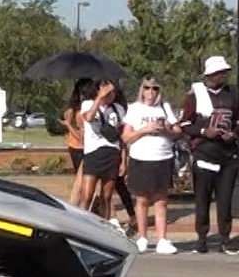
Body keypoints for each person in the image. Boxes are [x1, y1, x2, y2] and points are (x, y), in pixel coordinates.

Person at [179, 55, 239, 254]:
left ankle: (225, 240)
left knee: (225, 200)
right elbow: (184, 124)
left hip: (227, 155)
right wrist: (203, 132)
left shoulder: (233, 94)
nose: (222, 76)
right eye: (218, 72)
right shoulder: (194, 95)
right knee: (202, 199)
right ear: (209, 74)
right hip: (204, 153)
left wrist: (233, 133)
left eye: (224, 72)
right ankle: (202, 239)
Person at [121, 77, 180, 254]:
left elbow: (177, 132)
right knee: (142, 199)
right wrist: (144, 130)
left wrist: (165, 131)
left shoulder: (165, 108)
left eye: (155, 88)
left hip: (163, 157)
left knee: (161, 200)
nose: (151, 92)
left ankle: (162, 239)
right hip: (141, 157)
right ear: (142, 90)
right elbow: (126, 137)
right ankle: (142, 237)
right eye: (147, 88)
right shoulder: (134, 109)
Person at [78, 79, 126, 225]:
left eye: (112, 92)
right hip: (94, 152)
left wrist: (124, 160)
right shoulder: (88, 104)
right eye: (106, 91)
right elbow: (88, 117)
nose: (109, 95)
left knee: (107, 195)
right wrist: (99, 98)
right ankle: (80, 223)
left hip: (112, 152)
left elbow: (122, 137)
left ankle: (103, 224)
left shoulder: (118, 109)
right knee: (87, 194)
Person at [63, 78, 94, 208]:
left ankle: (80, 203)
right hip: (76, 146)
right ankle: (78, 205)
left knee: (82, 179)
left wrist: (68, 125)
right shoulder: (74, 109)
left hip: (84, 146)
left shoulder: (88, 108)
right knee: (80, 179)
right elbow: (78, 134)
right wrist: (69, 125)